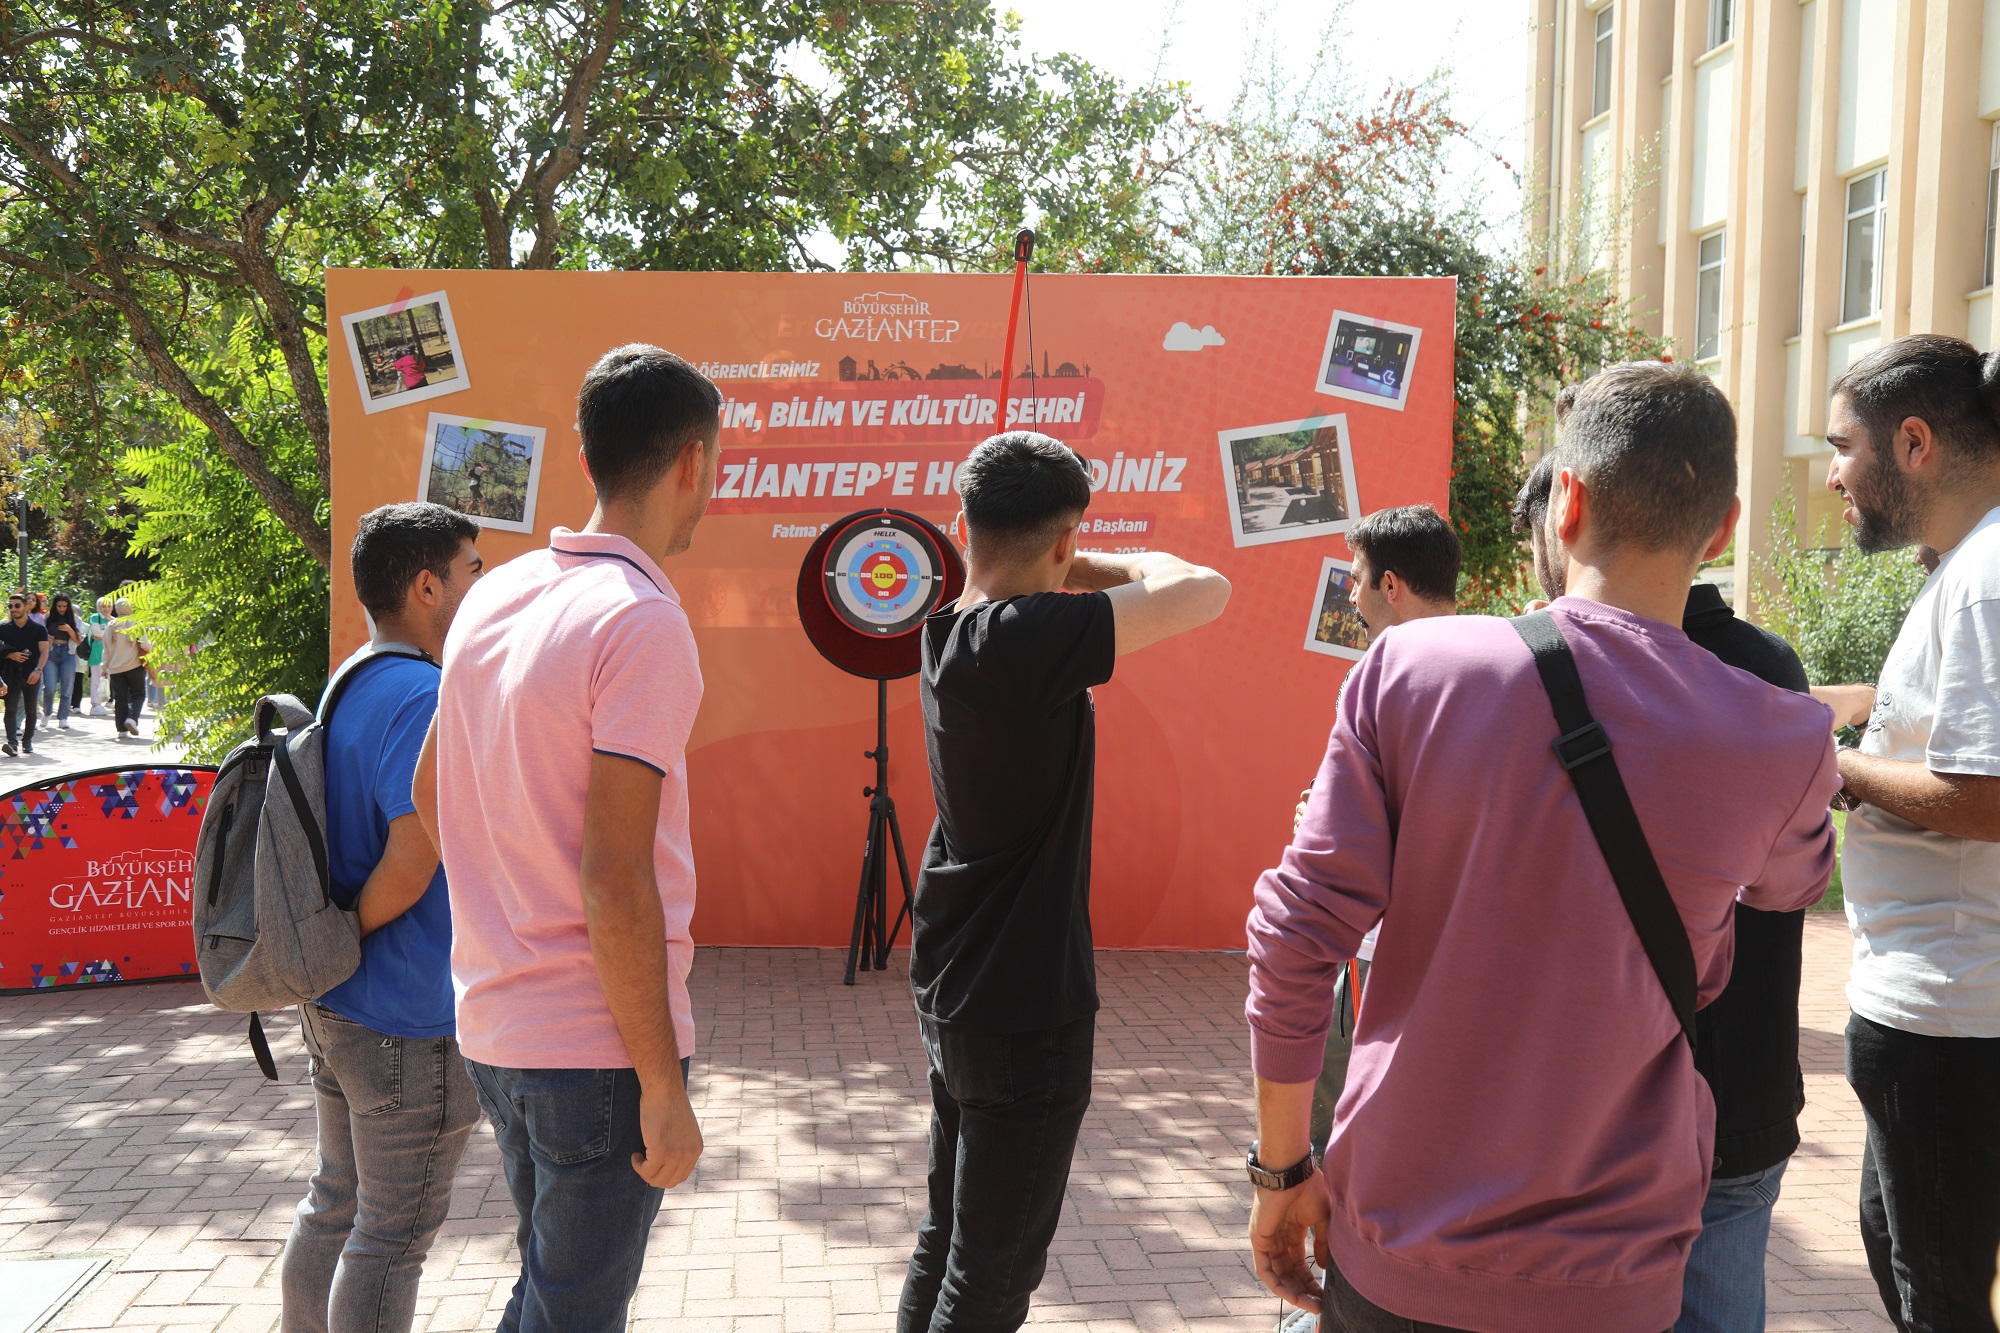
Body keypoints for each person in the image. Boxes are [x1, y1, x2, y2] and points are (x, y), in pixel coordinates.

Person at [1245, 361, 1839, 1333]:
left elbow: (1293, 931)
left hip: (1398, 1246)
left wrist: (1280, 1169)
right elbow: (1789, 885)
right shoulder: (1781, 734)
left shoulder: (1413, 668)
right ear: (1722, 527)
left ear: (1563, 499)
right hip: (1613, 1279)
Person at [412, 345, 716, 1333]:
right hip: (594, 1052)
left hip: (496, 1025)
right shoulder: (640, 621)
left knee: (551, 1294)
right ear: (694, 463)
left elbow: (430, 793)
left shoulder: (494, 596)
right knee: (571, 1312)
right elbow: (616, 878)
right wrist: (662, 1085)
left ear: (586, 457)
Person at [899, 431, 1231, 1333]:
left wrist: (1055, 557)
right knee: (993, 1275)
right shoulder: (1022, 636)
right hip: (1021, 1011)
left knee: (950, 1240)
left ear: (959, 523)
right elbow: (1204, 586)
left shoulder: (950, 631)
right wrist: (1080, 562)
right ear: (1062, 539)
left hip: (962, 991)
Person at [1516, 446, 1822, 1333]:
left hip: (1596, 1107)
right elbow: (1789, 882)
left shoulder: (1524, 669)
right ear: (1717, 529)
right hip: (1735, 1092)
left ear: (1563, 517)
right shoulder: (1767, 670)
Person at [1813, 335, 2000, 1333]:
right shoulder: (1967, 566)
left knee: (1936, 1296)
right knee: (1904, 1258)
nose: (1832, 473)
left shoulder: (1984, 577)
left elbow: (1984, 797)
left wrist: (1822, 766)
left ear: (1912, 441)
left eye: (1840, 445)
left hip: (1950, 1013)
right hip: (1939, 1003)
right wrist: (1825, 710)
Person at [280, 502, 485, 1333]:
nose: (483, 583)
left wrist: (331, 948)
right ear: (428, 585)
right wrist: (349, 932)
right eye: (473, 569)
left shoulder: (357, 674)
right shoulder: (420, 692)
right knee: (391, 1234)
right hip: (406, 1014)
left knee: (336, 1201)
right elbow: (415, 853)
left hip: (343, 1004)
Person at [1292, 504, 1463, 1163]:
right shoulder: (1511, 668)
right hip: (1463, 948)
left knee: (1342, 1123)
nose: (1353, 597)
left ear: (1389, 586)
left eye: (1356, 580)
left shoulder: (1377, 677)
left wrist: (1323, 821)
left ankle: (1344, 1256)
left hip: (1380, 946)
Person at [0, 590, 49, 755]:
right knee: (11, 708)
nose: (13, 609)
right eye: (10, 606)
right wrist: (9, 654)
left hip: (32, 673)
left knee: (31, 709)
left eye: (17, 605)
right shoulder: (3, 628)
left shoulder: (38, 629)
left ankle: (27, 741)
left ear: (26, 607)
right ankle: (12, 743)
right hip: (11, 674)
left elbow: (44, 652)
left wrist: (38, 670)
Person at [102, 598, 149, 737]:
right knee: (138, 694)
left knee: (120, 698)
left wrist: (104, 667)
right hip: (134, 665)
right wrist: (151, 650)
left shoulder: (111, 625)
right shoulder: (136, 624)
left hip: (116, 668)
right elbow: (145, 644)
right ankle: (132, 718)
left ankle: (121, 729)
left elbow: (106, 649)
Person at [42, 593, 79, 729]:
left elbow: (78, 640)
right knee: (50, 687)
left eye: (64, 606)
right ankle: (47, 713)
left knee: (66, 688)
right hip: (51, 653)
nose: (62, 609)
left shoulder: (74, 619)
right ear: (55, 605)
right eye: (59, 606)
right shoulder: (47, 617)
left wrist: (69, 630)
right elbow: (40, 635)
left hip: (67, 653)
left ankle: (63, 717)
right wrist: (47, 637)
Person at [85, 595, 110, 715]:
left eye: (109, 606)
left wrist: (102, 634)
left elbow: (101, 634)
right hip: (97, 653)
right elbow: (96, 632)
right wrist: (107, 635)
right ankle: (95, 704)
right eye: (104, 606)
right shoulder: (95, 617)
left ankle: (104, 702)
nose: (106, 609)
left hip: (109, 654)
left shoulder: (113, 619)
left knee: (108, 680)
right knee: (96, 679)